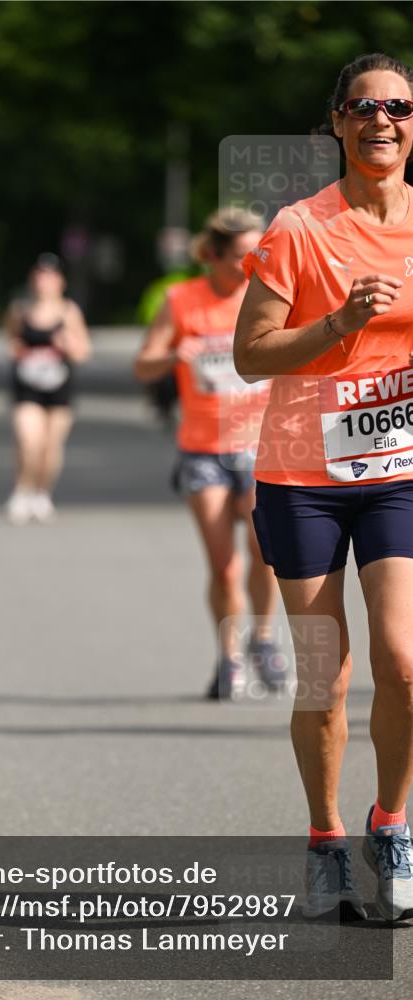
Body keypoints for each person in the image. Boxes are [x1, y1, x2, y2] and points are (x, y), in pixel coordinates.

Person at [234, 53, 413, 921]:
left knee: (405, 662)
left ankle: (393, 823)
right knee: (324, 679)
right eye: (362, 107)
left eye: (398, 106)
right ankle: (324, 839)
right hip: (300, 476)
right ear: (337, 125)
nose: (381, 120)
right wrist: (339, 322)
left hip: (398, 475)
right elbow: (250, 355)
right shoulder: (299, 228)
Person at [134, 209, 281, 700]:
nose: (254, 263)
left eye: (259, 253)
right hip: (204, 450)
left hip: (261, 444)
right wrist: (174, 355)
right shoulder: (181, 301)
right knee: (223, 567)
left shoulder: (269, 296)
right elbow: (143, 365)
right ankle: (229, 656)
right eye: (244, 256)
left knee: (265, 553)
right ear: (214, 256)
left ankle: (262, 640)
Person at [4, 253, 91, 524]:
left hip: (59, 387)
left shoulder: (69, 311)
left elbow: (83, 351)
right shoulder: (20, 310)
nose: (44, 282)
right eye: (40, 276)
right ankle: (22, 489)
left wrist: (67, 345)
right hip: (27, 385)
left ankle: (42, 492)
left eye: (50, 276)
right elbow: (11, 342)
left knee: (51, 446)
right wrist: (18, 351)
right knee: (30, 440)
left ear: (60, 282)